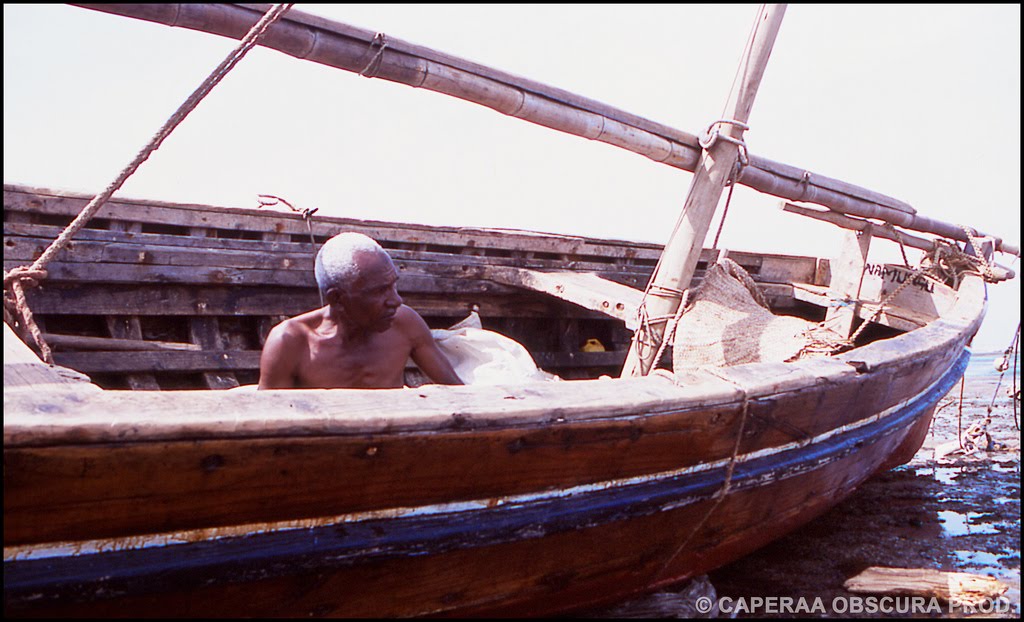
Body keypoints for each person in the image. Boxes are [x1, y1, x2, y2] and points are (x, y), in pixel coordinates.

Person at [258, 232, 463, 389]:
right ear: (337, 299)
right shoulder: (290, 343)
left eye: (393, 286)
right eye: (379, 291)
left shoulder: (405, 324)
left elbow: (459, 395)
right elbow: (267, 422)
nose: (396, 300)